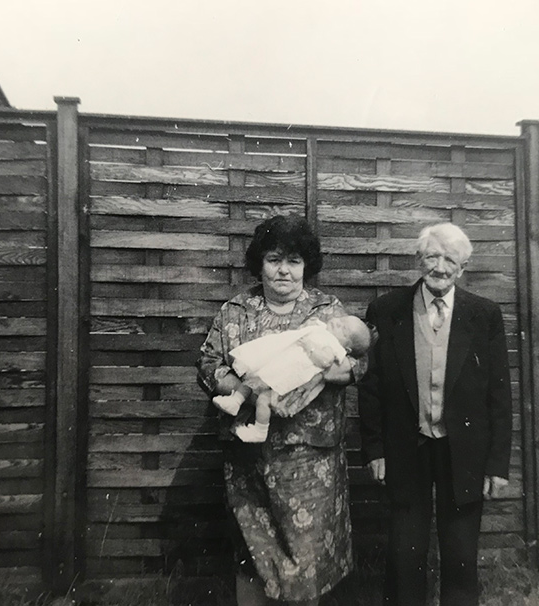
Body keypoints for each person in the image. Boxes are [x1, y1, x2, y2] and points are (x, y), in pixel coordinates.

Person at [197, 215, 366, 606]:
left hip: (310, 465)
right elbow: (207, 363)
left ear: (307, 265)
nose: (284, 270)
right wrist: (243, 388)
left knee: (304, 562)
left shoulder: (328, 310)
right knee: (253, 557)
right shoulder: (236, 310)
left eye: (293, 260)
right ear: (260, 263)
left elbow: (358, 364)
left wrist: (330, 372)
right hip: (249, 461)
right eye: (274, 259)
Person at [357, 222, 512, 606]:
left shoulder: (484, 315)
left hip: (464, 450)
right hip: (406, 447)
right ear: (418, 260)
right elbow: (371, 387)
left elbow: (499, 394)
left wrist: (497, 464)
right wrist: (375, 449)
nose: (440, 267)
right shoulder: (386, 309)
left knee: (460, 553)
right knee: (404, 551)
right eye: (432, 257)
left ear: (463, 268)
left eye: (450, 260)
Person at [213, 313, 371, 442]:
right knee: (251, 381)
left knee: (263, 399)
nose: (337, 323)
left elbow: (326, 360)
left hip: (292, 379)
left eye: (343, 330)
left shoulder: (334, 346)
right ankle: (235, 401)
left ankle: (260, 431)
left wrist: (310, 348)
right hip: (278, 366)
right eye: (341, 319)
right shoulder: (322, 328)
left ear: (347, 347)